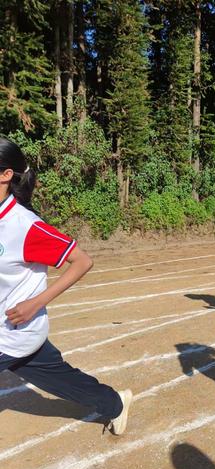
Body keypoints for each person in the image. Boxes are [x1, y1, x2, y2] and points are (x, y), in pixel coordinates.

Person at [0, 137, 132, 435]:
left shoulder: (25, 226)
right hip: (15, 335)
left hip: (13, 333)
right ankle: (115, 404)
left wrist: (36, 303)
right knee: (59, 377)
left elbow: (82, 261)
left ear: (6, 175)